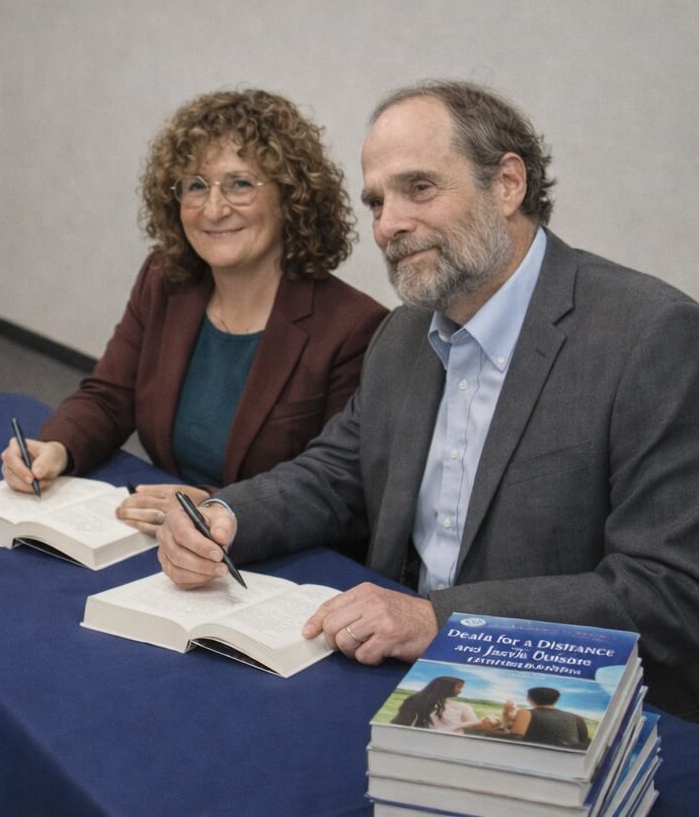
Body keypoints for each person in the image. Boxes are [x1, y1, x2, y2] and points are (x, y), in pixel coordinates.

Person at [156, 80, 699, 719]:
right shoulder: (404, 333)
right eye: (377, 202)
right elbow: (336, 476)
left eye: (419, 189)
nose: (390, 225)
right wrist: (225, 516)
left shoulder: (650, 334)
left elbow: (667, 591)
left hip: (564, 705)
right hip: (385, 672)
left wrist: (434, 619)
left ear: (508, 185)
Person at [0, 90, 386, 536]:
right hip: (162, 534)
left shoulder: (353, 327)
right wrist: (55, 447)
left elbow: (333, 490)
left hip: (267, 556)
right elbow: (110, 396)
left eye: (240, 183)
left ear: (290, 197)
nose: (214, 208)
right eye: (196, 185)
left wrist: (218, 504)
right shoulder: (166, 282)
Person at [391, 676, 499, 733]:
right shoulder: (418, 703)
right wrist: (464, 724)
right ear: (445, 688)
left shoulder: (463, 707)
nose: (460, 691)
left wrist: (484, 721)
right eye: (458, 687)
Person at [501, 687, 591, 748]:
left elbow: (515, 736)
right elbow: (585, 741)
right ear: (556, 700)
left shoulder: (526, 712)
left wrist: (489, 731)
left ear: (529, 699)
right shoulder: (576, 717)